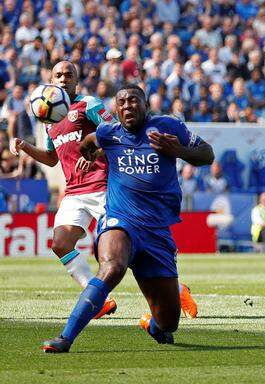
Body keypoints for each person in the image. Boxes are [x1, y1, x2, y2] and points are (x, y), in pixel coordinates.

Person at [41, 84, 214, 353]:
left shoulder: (168, 126)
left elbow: (207, 154)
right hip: (121, 220)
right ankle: (65, 338)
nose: (127, 106)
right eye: (121, 103)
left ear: (145, 105)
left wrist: (178, 150)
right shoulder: (107, 132)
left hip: (157, 232)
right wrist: (92, 155)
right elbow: (88, 143)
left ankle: (154, 325)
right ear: (115, 110)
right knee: (111, 267)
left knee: (169, 323)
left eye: (133, 101)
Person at [10, 61, 118, 319]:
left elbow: (115, 134)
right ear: (51, 80)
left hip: (103, 184)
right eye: (58, 75)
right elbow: (51, 158)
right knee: (60, 243)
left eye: (68, 74)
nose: (63, 78)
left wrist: (95, 152)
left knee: (124, 248)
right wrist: (25, 146)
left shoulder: (88, 104)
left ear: (76, 80)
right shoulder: (49, 118)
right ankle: (98, 299)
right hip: (74, 191)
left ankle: (175, 290)